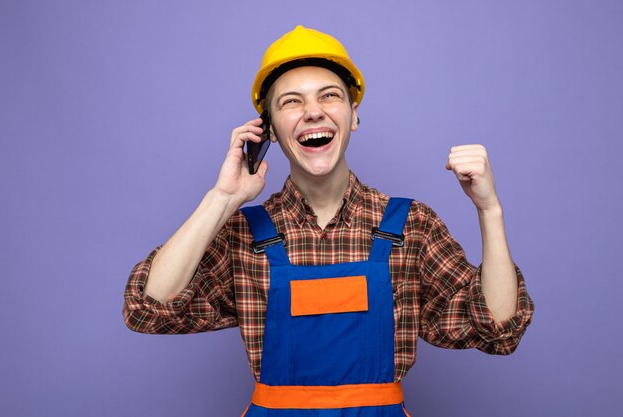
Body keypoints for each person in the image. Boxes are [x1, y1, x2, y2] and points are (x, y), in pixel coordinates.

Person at [123, 25, 534, 417]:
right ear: (269, 131)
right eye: (291, 102)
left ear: (353, 115)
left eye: (329, 96)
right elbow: (147, 308)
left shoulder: (411, 226)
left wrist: (489, 210)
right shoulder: (243, 236)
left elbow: (499, 329)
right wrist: (222, 199)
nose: (313, 112)